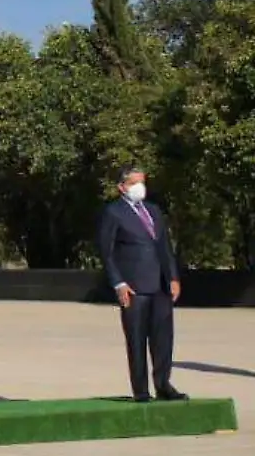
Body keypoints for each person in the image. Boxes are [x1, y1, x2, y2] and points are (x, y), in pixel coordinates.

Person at [97, 166, 186, 403]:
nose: (140, 187)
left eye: (142, 182)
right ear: (122, 187)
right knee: (136, 339)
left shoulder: (153, 211)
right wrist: (119, 283)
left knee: (163, 339)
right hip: (133, 287)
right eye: (134, 183)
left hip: (160, 285)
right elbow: (106, 252)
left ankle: (163, 384)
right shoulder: (113, 213)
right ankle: (141, 391)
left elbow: (164, 246)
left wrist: (173, 277)